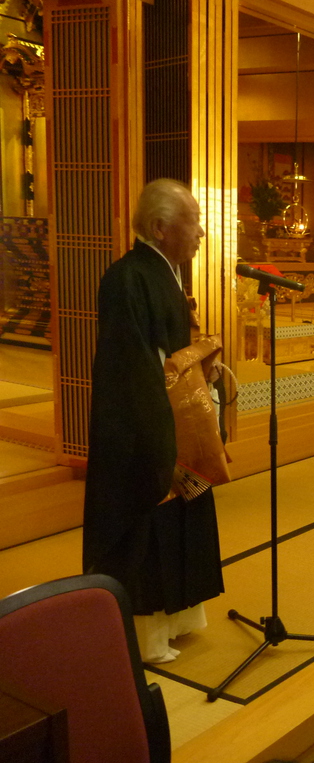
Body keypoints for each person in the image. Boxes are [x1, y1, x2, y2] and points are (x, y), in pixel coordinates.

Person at [81, 178, 224, 664]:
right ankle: (142, 635)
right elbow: (135, 368)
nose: (201, 233)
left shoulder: (165, 273)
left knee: (180, 523)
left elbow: (175, 354)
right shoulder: (127, 277)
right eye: (193, 222)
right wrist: (164, 436)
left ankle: (175, 621)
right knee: (145, 526)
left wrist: (204, 369)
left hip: (174, 418)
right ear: (161, 227)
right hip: (143, 426)